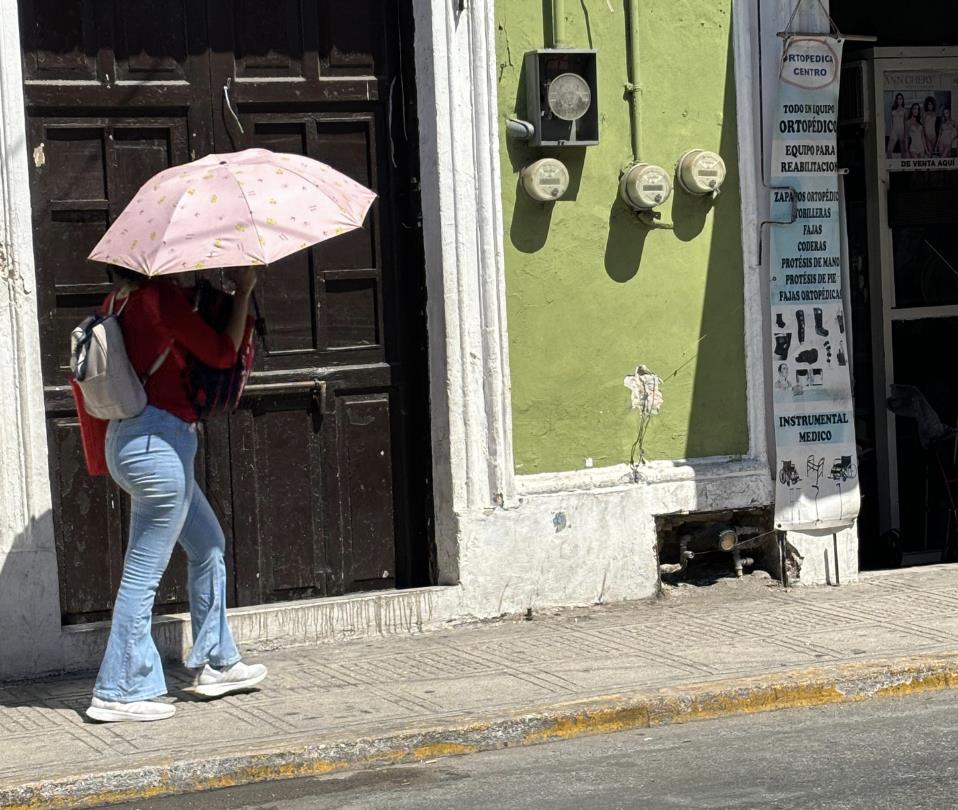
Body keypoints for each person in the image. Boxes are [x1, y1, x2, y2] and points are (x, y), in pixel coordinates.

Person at [85, 266, 267, 724]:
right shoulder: (159, 299)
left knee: (208, 544)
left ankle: (218, 661)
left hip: (129, 440)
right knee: (142, 574)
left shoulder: (116, 302)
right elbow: (222, 354)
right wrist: (242, 294)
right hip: (158, 445)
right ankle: (120, 690)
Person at [888, 93, 906, 158]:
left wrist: (905, 134)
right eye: (898, 98)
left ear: (902, 100)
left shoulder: (904, 110)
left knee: (903, 151)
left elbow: (905, 123)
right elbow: (891, 121)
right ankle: (890, 166)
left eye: (901, 98)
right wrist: (891, 131)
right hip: (894, 131)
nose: (899, 100)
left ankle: (903, 168)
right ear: (896, 100)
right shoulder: (893, 109)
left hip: (902, 131)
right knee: (889, 150)